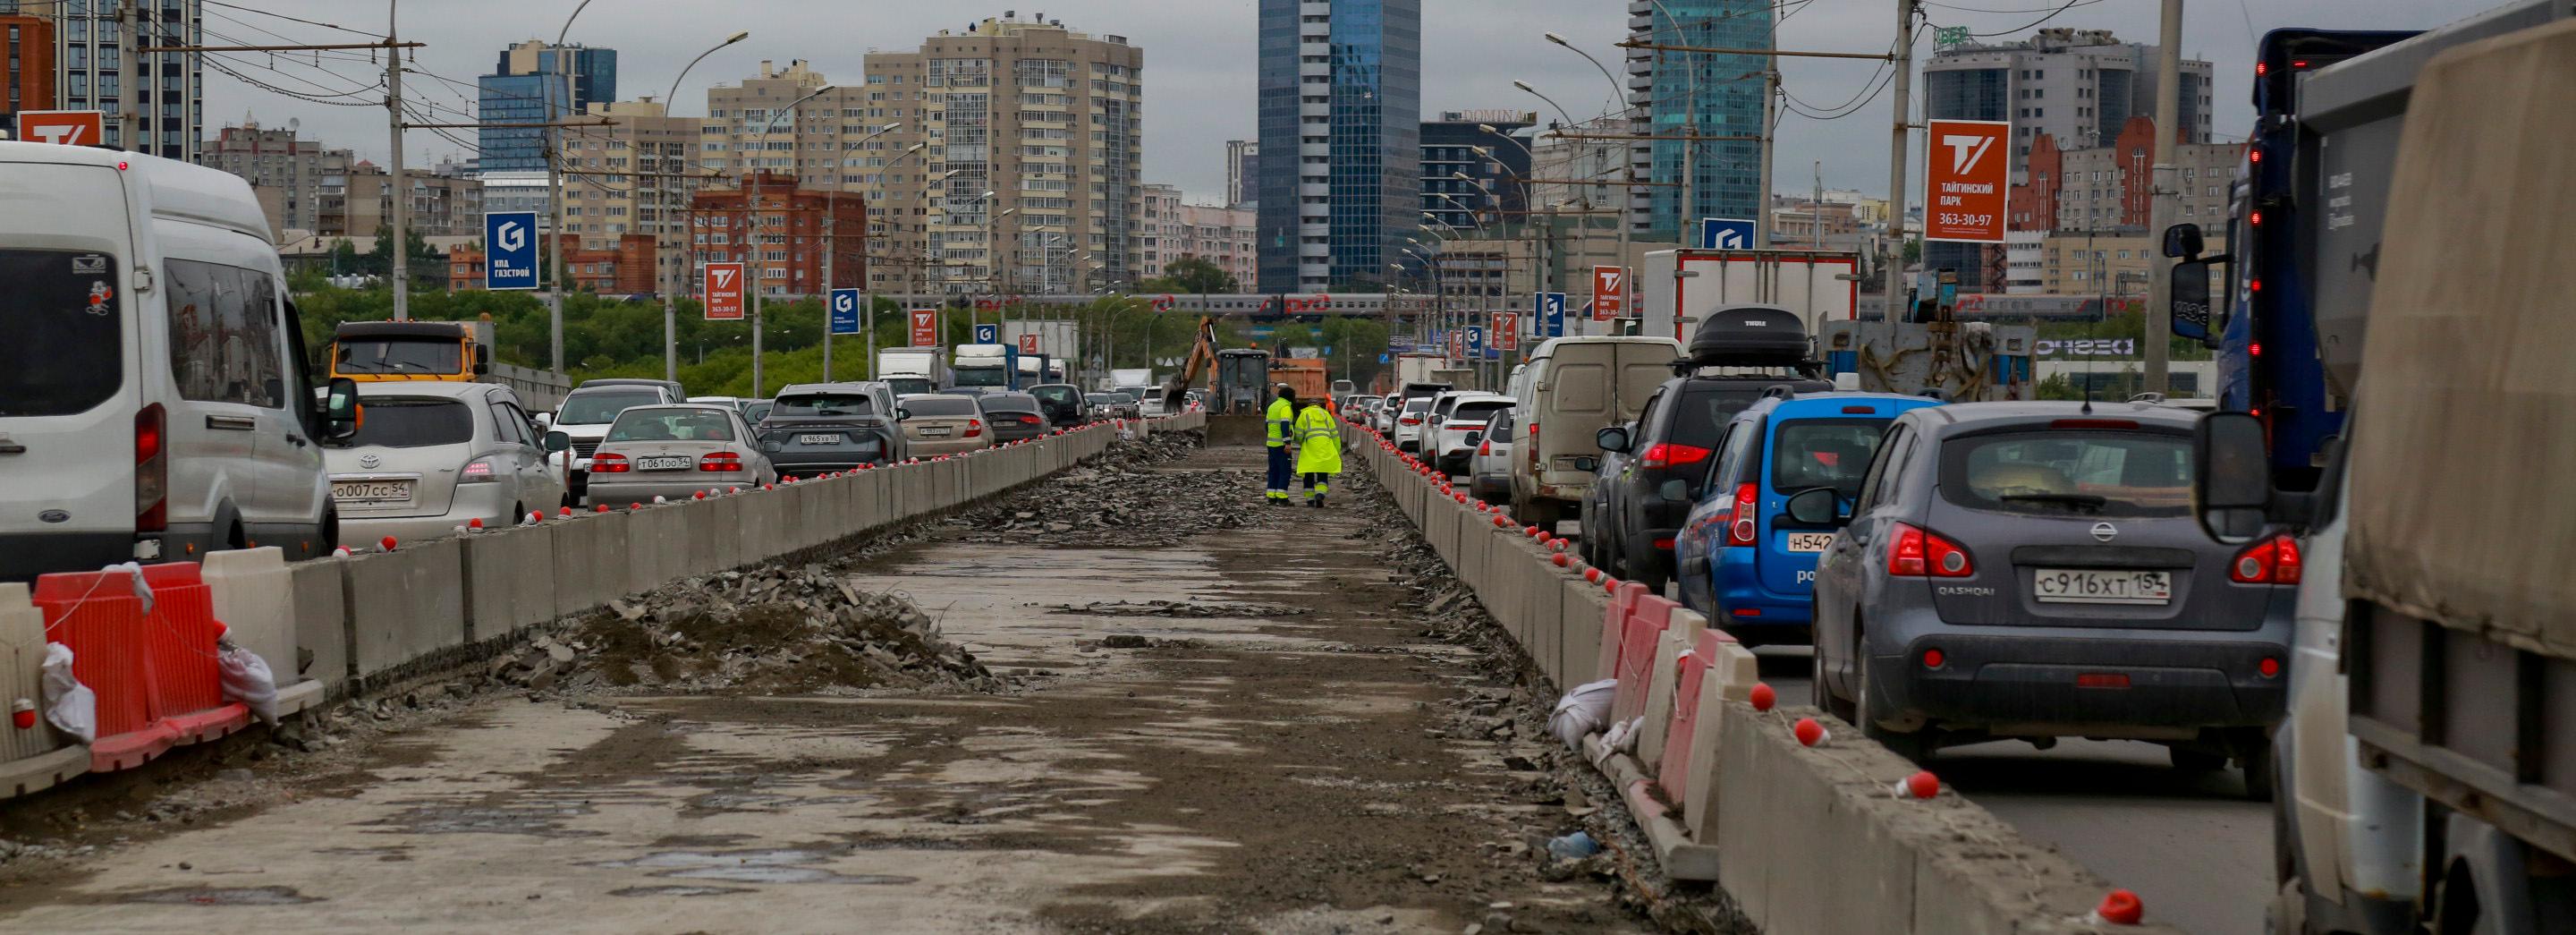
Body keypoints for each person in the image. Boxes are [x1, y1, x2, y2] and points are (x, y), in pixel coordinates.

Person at [1292, 394, 1343, 507]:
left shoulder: (1304, 414)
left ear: (1308, 405)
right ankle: (1320, 495)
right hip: (1325, 448)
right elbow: (1334, 434)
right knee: (1322, 474)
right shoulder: (1326, 415)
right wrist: (1337, 450)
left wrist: (1300, 442)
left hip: (1310, 448)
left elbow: (1298, 433)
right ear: (1320, 405)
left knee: (1308, 474)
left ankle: (1310, 500)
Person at [1264, 385, 1296, 505]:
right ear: (1290, 397)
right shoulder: (1285, 407)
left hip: (1271, 444)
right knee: (1285, 471)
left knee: (1273, 470)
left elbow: (1266, 426)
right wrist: (1287, 443)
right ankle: (1282, 498)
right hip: (1281, 446)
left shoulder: (1272, 406)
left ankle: (1271, 497)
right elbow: (1284, 425)